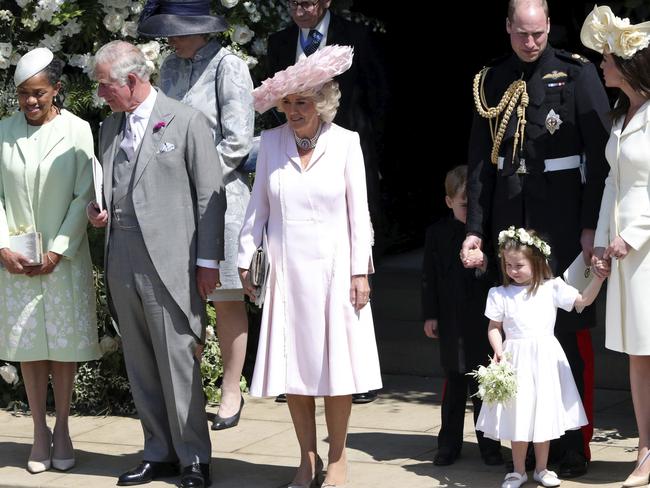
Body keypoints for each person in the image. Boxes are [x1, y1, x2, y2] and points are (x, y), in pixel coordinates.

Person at [461, 0, 611, 476]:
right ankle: (514, 440)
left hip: (563, 222)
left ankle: (573, 443)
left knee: (566, 337)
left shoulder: (577, 74)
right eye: (522, 34)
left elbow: (600, 157)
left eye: (539, 34)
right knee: (509, 334)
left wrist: (591, 225)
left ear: (549, 27)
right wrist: (474, 232)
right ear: (507, 28)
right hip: (509, 216)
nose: (531, 43)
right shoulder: (492, 79)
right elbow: (481, 162)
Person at [238, 45, 382, 488]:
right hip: (285, 272)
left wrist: (361, 272)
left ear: (322, 104)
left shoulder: (346, 143)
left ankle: (338, 457)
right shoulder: (271, 143)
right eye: (289, 102)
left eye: (304, 102)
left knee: (337, 370)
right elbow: (257, 209)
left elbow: (360, 214)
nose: (295, 110)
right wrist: (246, 260)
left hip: (336, 273)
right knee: (293, 370)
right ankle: (306, 458)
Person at [87, 40, 225, 488]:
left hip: (171, 261)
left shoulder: (186, 121)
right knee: (141, 361)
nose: (100, 93)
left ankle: (194, 459)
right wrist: (98, 211)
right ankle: (158, 451)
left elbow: (210, 197)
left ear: (131, 80)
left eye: (105, 85)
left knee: (177, 360)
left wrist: (207, 264)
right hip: (121, 255)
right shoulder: (109, 128)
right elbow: (108, 187)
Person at [138, 0, 254, 432]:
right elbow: (160, 127)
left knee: (224, 297)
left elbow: (238, 141)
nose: (169, 39)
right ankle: (186, 393)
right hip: (175, 199)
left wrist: (196, 182)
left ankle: (230, 389)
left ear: (200, 29)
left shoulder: (229, 67)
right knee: (183, 297)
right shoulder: (168, 66)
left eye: (176, 31)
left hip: (220, 197)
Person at [0, 47, 100, 474]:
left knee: (62, 346)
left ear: (57, 89)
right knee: (29, 347)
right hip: (16, 261)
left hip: (63, 257)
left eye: (39, 92)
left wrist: (59, 247)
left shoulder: (78, 130)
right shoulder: (3, 131)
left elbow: (85, 193)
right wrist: (2, 244)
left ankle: (62, 427)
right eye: (23, 94)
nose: (31, 102)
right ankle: (38, 430)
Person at [476, 227, 607, 488]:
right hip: (516, 359)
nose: (513, 270)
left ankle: (542, 469)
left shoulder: (551, 288)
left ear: (536, 262)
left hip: (545, 358)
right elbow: (494, 327)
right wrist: (499, 350)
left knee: (543, 413)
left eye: (519, 265)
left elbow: (582, 301)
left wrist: (598, 279)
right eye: (508, 265)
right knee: (519, 414)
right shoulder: (500, 293)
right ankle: (517, 470)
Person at [581, 6, 650, 487]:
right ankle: (645, 449)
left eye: (606, 59)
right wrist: (605, 239)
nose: (600, 65)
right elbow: (612, 183)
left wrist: (634, 234)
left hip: (646, 251)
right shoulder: (623, 116)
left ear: (628, 64)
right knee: (637, 353)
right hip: (625, 256)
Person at [421, 165, 503, 467]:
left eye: (473, 205)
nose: (468, 210)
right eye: (463, 204)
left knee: (483, 387)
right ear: (449, 202)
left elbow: (496, 273)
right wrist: (430, 315)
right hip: (451, 320)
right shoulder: (437, 234)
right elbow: (428, 278)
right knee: (454, 387)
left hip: (480, 320)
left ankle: (490, 446)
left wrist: (483, 263)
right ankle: (448, 445)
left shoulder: (486, 236)